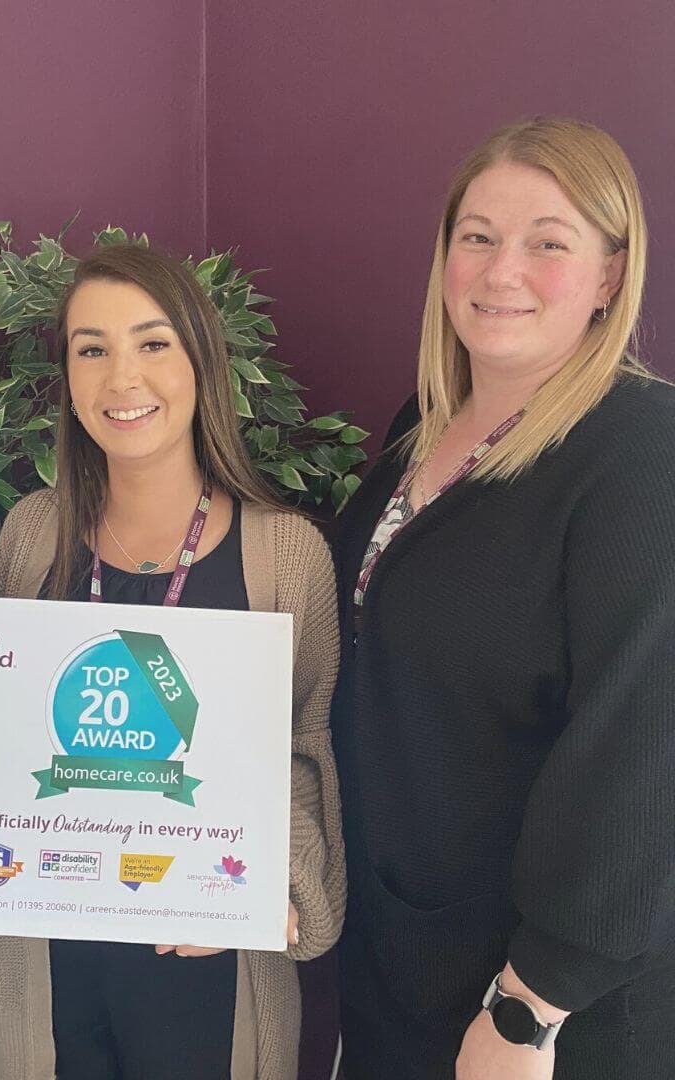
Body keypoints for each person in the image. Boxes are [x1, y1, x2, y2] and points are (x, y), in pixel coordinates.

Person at [0, 244, 346, 1078]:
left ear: (200, 362)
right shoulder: (33, 533)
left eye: (152, 344)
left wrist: (284, 896)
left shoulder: (286, 552)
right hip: (43, 963)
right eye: (92, 349)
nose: (122, 378)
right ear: (69, 379)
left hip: (210, 967)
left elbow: (307, 750)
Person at [331, 117, 675, 1080]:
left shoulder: (642, 457)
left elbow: (643, 752)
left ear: (610, 275)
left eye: (547, 243)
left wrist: (532, 1005)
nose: (500, 270)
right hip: (404, 961)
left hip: (547, 1012)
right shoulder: (421, 429)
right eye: (476, 236)